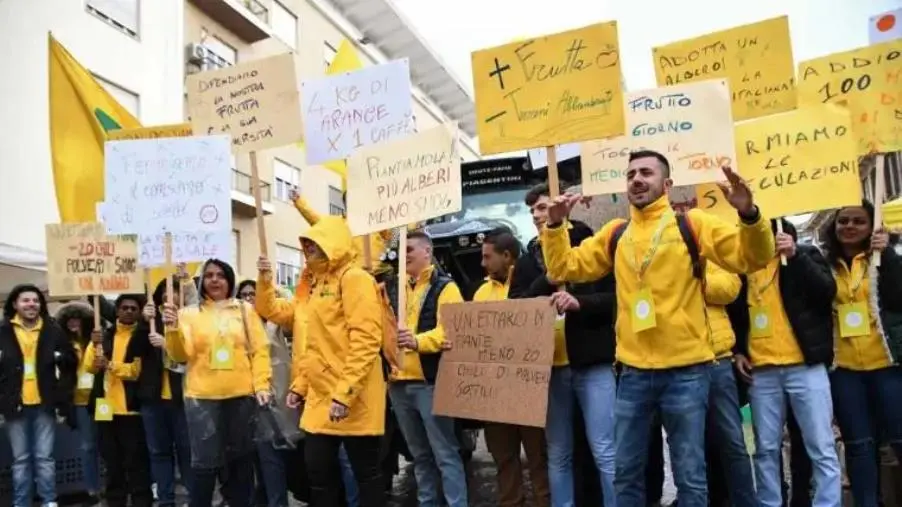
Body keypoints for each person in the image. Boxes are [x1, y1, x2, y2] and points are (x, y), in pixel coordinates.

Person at [540, 151, 774, 507]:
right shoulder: (615, 233)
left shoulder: (693, 224)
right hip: (633, 374)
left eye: (646, 173)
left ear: (666, 184)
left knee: (690, 475)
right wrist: (555, 228)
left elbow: (752, 257)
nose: (637, 178)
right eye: (631, 173)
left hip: (687, 372)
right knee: (627, 473)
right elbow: (563, 268)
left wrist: (749, 214)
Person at [256, 216, 387, 507]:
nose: (309, 247)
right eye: (307, 243)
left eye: (315, 242)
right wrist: (300, 385)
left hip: (354, 396)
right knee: (318, 474)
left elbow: (366, 341)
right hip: (320, 397)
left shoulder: (355, 278)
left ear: (334, 243)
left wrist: (345, 393)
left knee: (366, 475)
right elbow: (314, 344)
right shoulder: (316, 285)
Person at [510, 182, 617, 507]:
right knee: (558, 453)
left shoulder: (590, 244)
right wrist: (547, 278)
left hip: (592, 364)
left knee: (605, 449)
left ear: (560, 207)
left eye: (542, 208)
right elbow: (516, 305)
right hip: (550, 368)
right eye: (532, 212)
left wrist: (579, 303)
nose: (536, 216)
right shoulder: (528, 259)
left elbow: (615, 297)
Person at [734, 219, 840, 507]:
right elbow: (735, 316)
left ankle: (827, 503)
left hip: (805, 368)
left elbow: (826, 291)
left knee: (821, 445)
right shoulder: (742, 267)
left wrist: (794, 256)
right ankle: (770, 502)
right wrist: (738, 351)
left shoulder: (803, 255)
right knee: (766, 449)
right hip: (761, 372)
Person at [162, 258, 273, 507]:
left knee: (240, 465)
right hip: (202, 399)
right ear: (202, 281)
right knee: (204, 467)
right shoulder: (187, 314)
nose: (214, 280)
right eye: (209, 275)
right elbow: (180, 355)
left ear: (230, 280)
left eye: (220, 275)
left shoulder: (245, 310)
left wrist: (262, 384)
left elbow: (260, 350)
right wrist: (171, 330)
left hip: (241, 397)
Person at [820, 201, 902, 507]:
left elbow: (898, 297)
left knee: (899, 437)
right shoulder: (823, 263)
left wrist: (889, 255)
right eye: (843, 221)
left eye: (858, 221)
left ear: (872, 226)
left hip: (888, 364)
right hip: (845, 369)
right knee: (858, 444)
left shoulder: (886, 257)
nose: (850, 226)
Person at [390, 230, 469, 507]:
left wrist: (417, 341)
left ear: (427, 252)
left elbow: (451, 331)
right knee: (419, 456)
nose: (404, 255)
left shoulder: (446, 287)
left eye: (409, 249)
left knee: (444, 453)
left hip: (430, 382)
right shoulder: (394, 289)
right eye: (402, 250)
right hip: (398, 385)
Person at [475, 228, 551, 507]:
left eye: (487, 257)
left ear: (507, 256)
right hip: (495, 394)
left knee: (539, 457)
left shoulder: (532, 282)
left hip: (528, 388)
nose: (482, 264)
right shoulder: (482, 292)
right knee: (504, 459)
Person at [0, 284, 77, 507]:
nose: (31, 304)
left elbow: (71, 361)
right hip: (15, 405)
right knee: (21, 460)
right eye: (26, 300)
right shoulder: (3, 331)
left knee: (44, 459)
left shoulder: (52, 329)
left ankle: (49, 501)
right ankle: (21, 503)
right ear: (15, 304)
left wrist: (61, 358)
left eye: (35, 300)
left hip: (45, 403)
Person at [85, 293, 154, 507]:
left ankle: (141, 500)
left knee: (136, 462)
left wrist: (112, 366)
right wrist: (92, 344)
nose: (129, 311)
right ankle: (115, 501)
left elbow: (136, 371)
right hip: (105, 407)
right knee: (111, 461)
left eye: (134, 308)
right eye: (125, 307)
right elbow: (90, 366)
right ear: (116, 310)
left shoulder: (143, 336)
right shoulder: (105, 335)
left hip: (130, 409)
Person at [140, 273, 197, 507]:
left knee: (187, 452)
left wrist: (168, 344)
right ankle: (165, 500)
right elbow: (134, 351)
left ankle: (195, 498)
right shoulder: (150, 321)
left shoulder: (191, 320)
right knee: (159, 452)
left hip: (182, 398)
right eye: (163, 290)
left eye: (173, 290)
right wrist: (144, 324)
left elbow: (195, 356)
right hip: (153, 399)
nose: (167, 294)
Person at [702, 262, 756, 507]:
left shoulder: (713, 251)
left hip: (718, 358)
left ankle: (744, 501)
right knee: (689, 446)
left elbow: (729, 290)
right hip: (676, 362)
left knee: (733, 440)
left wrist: (692, 276)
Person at [237, 279, 295, 507]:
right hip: (242, 401)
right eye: (244, 295)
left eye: (253, 294)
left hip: (272, 404)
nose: (249, 299)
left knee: (272, 461)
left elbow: (291, 312)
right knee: (251, 463)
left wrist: (274, 291)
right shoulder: (232, 326)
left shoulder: (274, 323)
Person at [55, 300, 102, 503]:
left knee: (107, 443)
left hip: (101, 398)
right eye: (69, 320)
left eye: (78, 319)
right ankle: (92, 489)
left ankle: (113, 483)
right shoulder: (63, 344)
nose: (73, 323)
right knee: (88, 446)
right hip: (79, 401)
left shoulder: (98, 340)